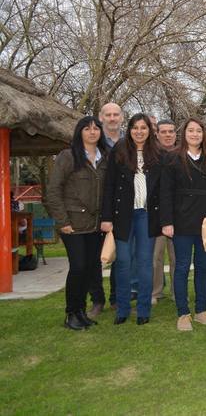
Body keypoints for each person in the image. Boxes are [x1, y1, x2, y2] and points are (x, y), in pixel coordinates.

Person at [45, 116, 108, 330]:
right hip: (73, 223)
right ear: (79, 132)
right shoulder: (68, 156)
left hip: (95, 224)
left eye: (96, 129)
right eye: (87, 128)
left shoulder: (104, 157)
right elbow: (53, 190)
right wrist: (62, 220)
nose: (92, 132)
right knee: (78, 267)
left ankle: (81, 312)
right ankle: (71, 313)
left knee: (90, 267)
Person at [101, 113, 162, 325]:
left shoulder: (158, 153)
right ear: (129, 129)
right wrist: (106, 217)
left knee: (145, 263)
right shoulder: (119, 150)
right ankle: (123, 309)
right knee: (124, 262)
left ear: (149, 130)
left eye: (143, 128)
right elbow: (108, 185)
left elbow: (163, 189)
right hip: (123, 215)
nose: (139, 131)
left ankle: (143, 309)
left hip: (147, 215)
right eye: (135, 127)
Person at [160, 118, 206, 331]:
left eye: (198, 131)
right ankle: (183, 313)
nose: (195, 134)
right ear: (184, 133)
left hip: (205, 222)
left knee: (204, 267)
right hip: (181, 222)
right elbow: (165, 192)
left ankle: (202, 310)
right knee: (182, 267)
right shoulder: (172, 157)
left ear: (203, 134)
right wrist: (166, 221)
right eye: (191, 130)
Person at [97, 102, 124, 312]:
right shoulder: (93, 141)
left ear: (122, 117)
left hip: (120, 207)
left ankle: (116, 298)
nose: (112, 118)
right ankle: (97, 299)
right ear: (101, 117)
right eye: (108, 115)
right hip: (95, 206)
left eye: (116, 114)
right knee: (92, 258)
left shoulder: (127, 143)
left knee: (119, 257)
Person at [152, 119, 177, 305]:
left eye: (171, 131)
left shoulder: (181, 155)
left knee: (178, 258)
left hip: (179, 215)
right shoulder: (151, 156)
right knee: (156, 257)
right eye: (164, 132)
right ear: (157, 134)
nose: (168, 135)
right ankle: (156, 292)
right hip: (156, 214)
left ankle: (178, 292)